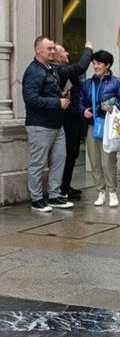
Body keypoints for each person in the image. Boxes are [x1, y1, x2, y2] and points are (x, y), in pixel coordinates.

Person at [22, 36, 74, 212]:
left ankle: (54, 195)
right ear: (38, 50)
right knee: (38, 163)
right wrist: (57, 103)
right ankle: (36, 199)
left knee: (59, 160)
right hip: (40, 125)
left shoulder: (51, 69)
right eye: (49, 48)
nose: (53, 51)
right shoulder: (33, 71)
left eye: (53, 48)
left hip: (56, 124)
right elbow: (30, 99)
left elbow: (48, 93)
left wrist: (61, 96)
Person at [79, 50, 120, 208]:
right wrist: (83, 111)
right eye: (94, 63)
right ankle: (100, 192)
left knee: (108, 161)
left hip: (109, 127)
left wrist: (113, 106)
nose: (95, 66)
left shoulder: (117, 82)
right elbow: (79, 102)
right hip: (93, 125)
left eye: (99, 63)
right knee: (94, 161)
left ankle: (112, 192)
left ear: (107, 65)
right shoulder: (87, 84)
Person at [55, 42, 94, 202]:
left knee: (73, 154)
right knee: (69, 154)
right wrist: (88, 50)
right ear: (58, 56)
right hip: (67, 120)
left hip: (75, 117)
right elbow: (80, 67)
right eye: (64, 52)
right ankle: (62, 189)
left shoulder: (63, 70)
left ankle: (66, 186)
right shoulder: (60, 69)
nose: (67, 55)